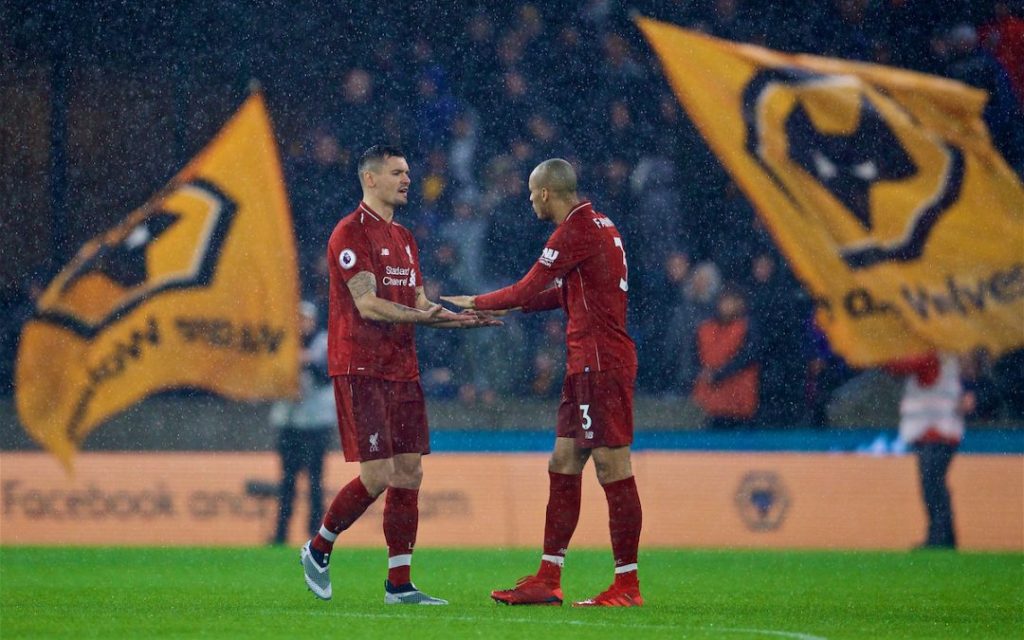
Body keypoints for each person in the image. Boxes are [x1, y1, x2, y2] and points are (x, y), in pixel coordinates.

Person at [300, 144, 499, 604]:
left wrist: (461, 318)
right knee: (377, 475)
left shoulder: (406, 238)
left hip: (402, 367)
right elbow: (367, 304)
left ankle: (399, 584)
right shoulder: (349, 233)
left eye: (408, 171)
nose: (407, 179)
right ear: (370, 179)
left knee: (409, 472)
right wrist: (425, 318)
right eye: (396, 172)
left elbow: (420, 304)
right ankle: (318, 547)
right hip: (362, 366)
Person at [442, 158, 643, 607]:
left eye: (532, 194)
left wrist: (477, 302)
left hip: (600, 363)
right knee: (564, 462)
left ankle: (627, 585)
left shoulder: (574, 230)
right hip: (585, 364)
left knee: (613, 467)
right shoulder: (599, 223)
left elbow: (527, 287)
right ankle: (548, 578)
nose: (530, 200)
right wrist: (509, 308)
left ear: (547, 193)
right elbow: (561, 294)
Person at [885, 352, 974, 550]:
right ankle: (943, 536)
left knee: (932, 484)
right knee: (934, 484)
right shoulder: (946, 357)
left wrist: (879, 356)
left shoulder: (934, 355)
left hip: (936, 430)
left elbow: (906, 366)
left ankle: (939, 537)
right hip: (939, 430)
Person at [270, 300, 333, 545]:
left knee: (315, 481)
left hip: (316, 421)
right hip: (289, 420)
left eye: (305, 319)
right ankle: (281, 532)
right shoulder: (282, 342)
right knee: (287, 480)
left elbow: (327, 375)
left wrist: (305, 362)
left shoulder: (323, 343)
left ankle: (315, 533)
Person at [691, 284, 762, 429]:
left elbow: (746, 357)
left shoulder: (746, 327)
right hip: (713, 399)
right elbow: (695, 356)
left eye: (732, 302)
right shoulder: (705, 328)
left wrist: (720, 374)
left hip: (739, 398)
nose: (728, 306)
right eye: (726, 301)